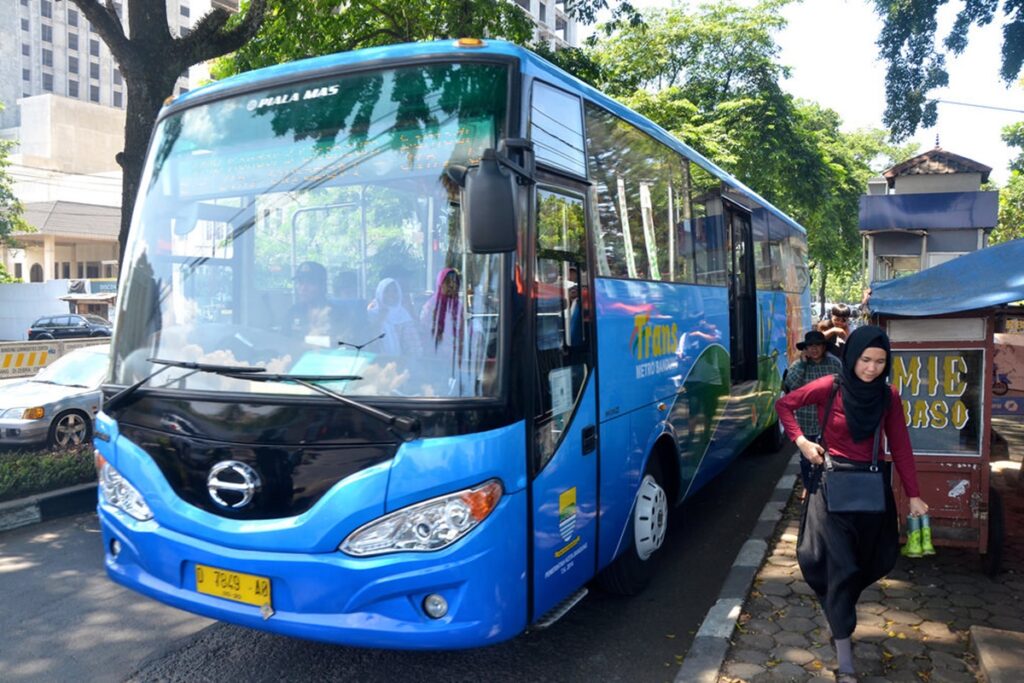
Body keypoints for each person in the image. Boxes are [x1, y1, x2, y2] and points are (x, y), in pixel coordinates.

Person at [776, 325, 928, 683]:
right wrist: (802, 443)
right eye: (865, 360)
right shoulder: (831, 386)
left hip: (871, 491)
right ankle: (845, 663)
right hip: (830, 488)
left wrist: (915, 494)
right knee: (837, 568)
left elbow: (901, 447)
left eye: (880, 361)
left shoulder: (888, 397)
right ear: (851, 356)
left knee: (869, 563)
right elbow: (785, 405)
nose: (872, 368)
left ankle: (838, 609)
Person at [784, 330, 843, 495]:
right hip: (806, 420)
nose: (814, 349)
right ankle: (810, 488)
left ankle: (828, 488)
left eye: (818, 345)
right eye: (810, 346)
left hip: (829, 420)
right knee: (806, 458)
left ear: (824, 347)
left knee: (829, 456)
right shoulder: (798, 365)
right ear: (806, 349)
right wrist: (802, 364)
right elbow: (792, 384)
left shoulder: (834, 363)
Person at [284, 261, 338, 344]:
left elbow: (339, 345)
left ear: (323, 286)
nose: (303, 288)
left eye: (310, 283)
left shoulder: (336, 314)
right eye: (300, 282)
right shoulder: (293, 312)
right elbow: (284, 342)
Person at [367, 277, 423, 356]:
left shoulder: (403, 315)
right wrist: (380, 318)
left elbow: (413, 346)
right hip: (374, 362)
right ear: (380, 292)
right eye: (386, 291)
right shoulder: (371, 314)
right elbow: (368, 340)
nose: (391, 294)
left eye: (394, 291)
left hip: (399, 363)